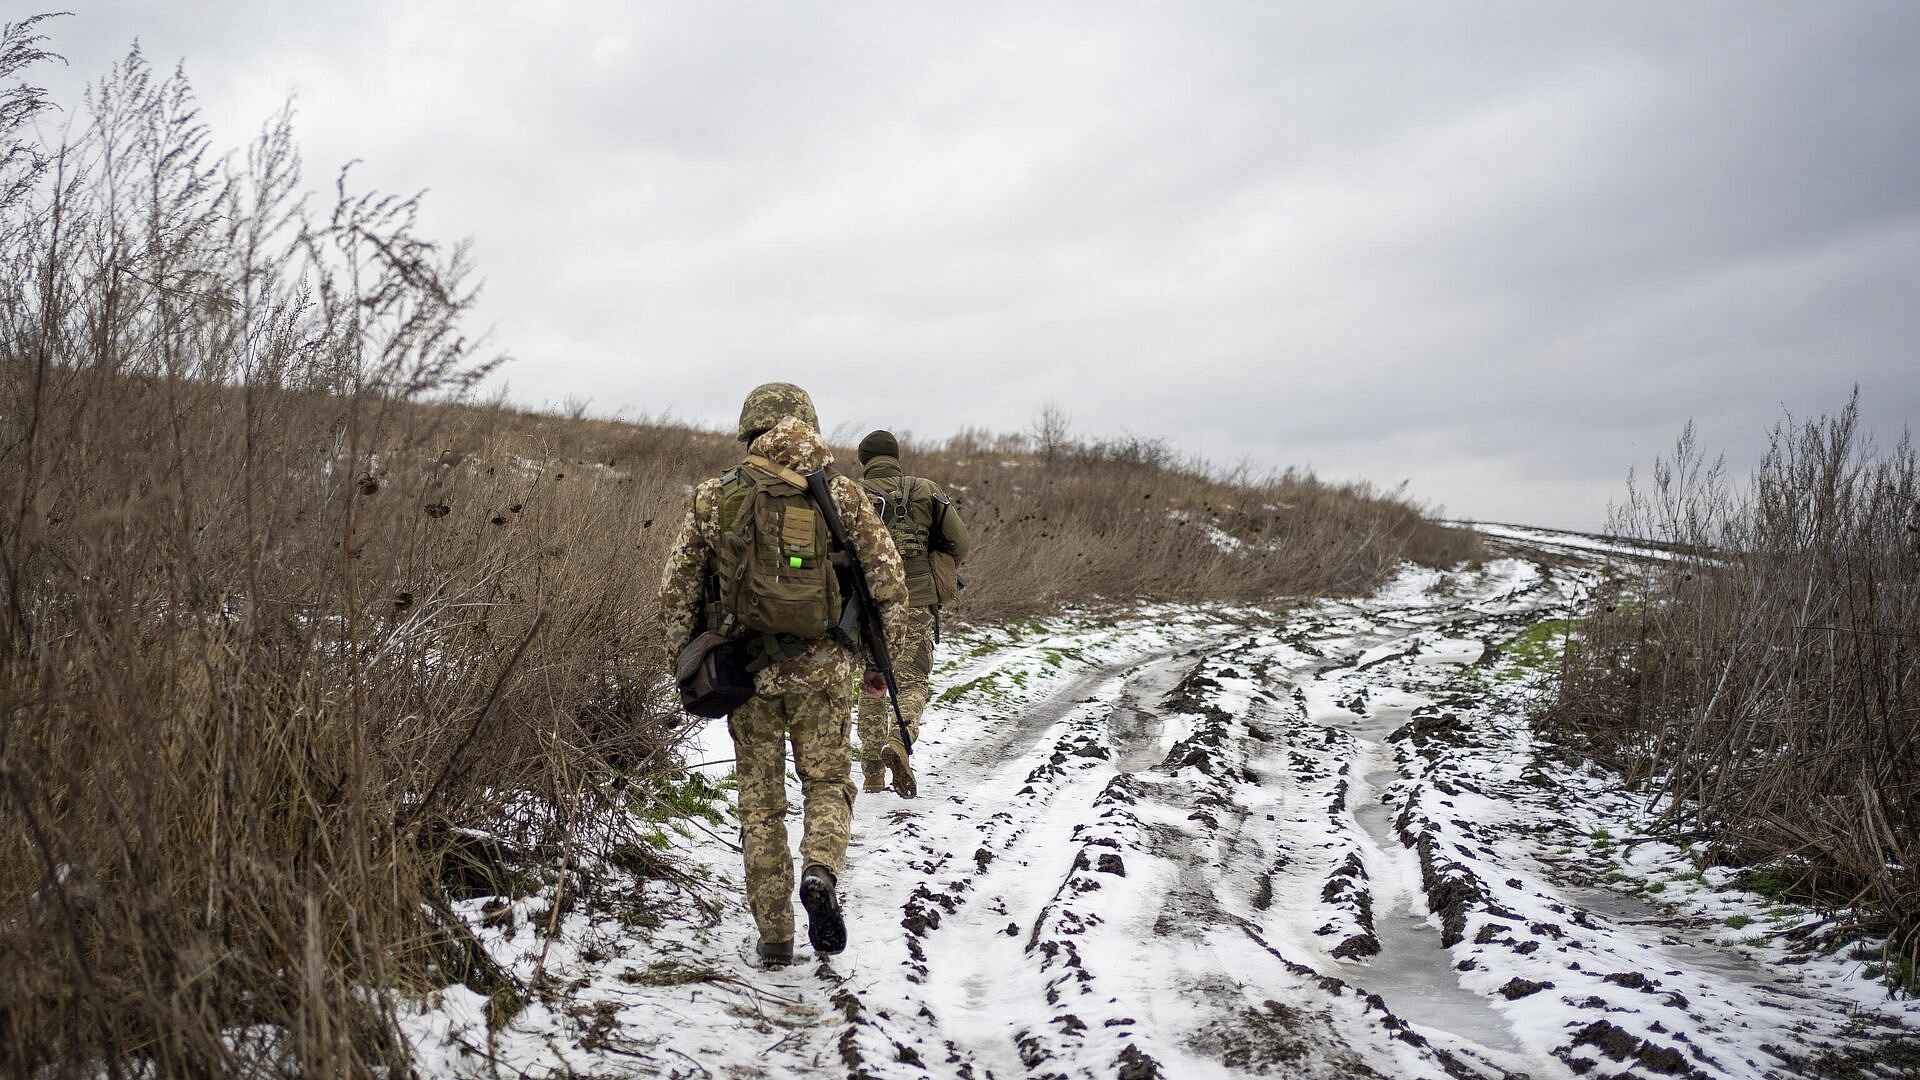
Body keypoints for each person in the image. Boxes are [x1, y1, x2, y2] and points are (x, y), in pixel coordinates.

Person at [658, 383, 909, 967]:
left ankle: (775, 935)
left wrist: (684, 667)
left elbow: (674, 595)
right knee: (826, 783)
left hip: (747, 672)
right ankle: (820, 869)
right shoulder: (843, 495)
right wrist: (878, 665)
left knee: (761, 803)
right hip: (824, 671)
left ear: (750, 429)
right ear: (810, 424)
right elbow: (889, 583)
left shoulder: (712, 496)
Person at [854, 430, 971, 797]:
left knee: (872, 682)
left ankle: (872, 770)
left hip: (865, 601)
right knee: (912, 679)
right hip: (917, 599)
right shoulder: (925, 489)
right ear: (896, 456)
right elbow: (960, 542)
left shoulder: (849, 493)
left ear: (864, 460)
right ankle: (899, 741)